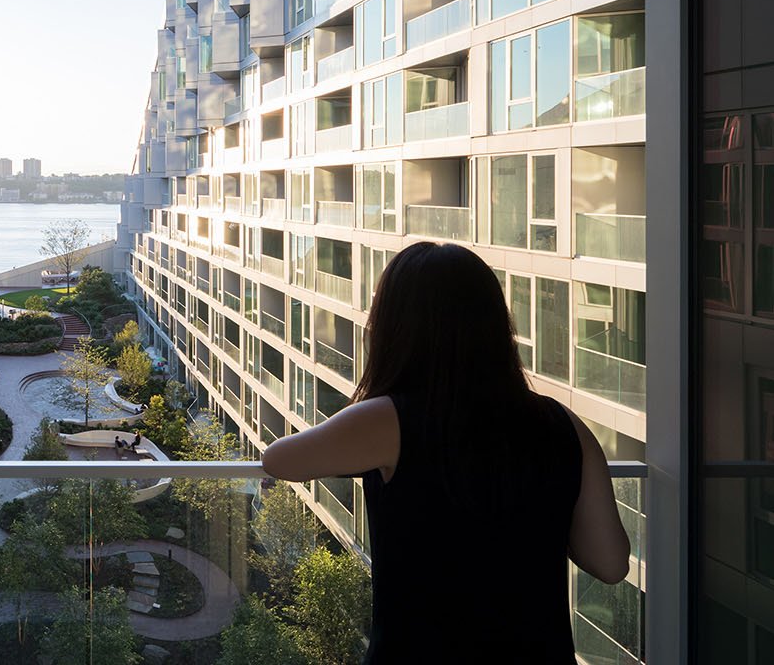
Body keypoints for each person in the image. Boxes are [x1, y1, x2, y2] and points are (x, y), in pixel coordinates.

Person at [259, 242, 628, 663]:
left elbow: (279, 460)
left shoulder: (390, 420)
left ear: (396, 327)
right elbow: (612, 564)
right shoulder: (565, 426)